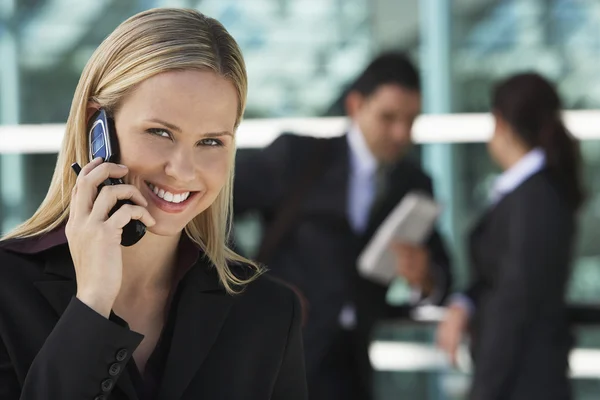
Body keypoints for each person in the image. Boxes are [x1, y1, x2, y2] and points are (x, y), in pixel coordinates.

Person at [0, 8, 306, 400]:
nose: (182, 170)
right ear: (98, 127)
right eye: (160, 132)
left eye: (211, 141)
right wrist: (92, 303)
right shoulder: (7, 290)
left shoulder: (269, 314)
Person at [234, 52, 452, 400]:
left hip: (352, 367)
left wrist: (425, 277)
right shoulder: (298, 158)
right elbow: (211, 210)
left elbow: (442, 275)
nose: (401, 133)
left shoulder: (414, 183)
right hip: (281, 355)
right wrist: (253, 285)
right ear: (355, 105)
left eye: (411, 120)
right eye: (388, 117)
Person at [437, 73, 584, 400]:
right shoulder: (532, 193)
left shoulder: (534, 198)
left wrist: (484, 392)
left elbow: (514, 303)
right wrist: (465, 303)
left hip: (522, 380)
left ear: (499, 122)